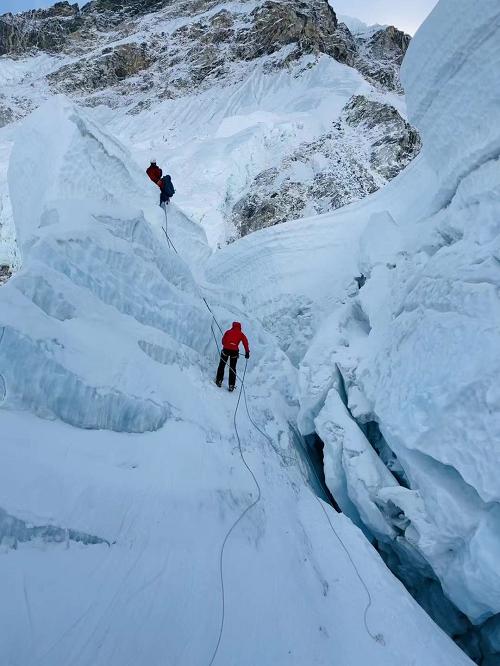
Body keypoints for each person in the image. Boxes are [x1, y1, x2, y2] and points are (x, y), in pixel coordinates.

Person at [216, 322, 250, 392]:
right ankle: (231, 385)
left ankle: (219, 381)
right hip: (234, 352)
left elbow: (223, 341)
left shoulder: (228, 332)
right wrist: (247, 352)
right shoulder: (241, 334)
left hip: (226, 350)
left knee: (222, 365)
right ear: (240, 327)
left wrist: (228, 344)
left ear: (233, 326)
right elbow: (245, 342)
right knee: (232, 368)